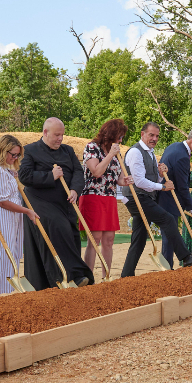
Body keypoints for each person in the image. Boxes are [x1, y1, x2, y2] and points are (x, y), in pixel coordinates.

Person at [19, 117, 94, 289]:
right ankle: (70, 276)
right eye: (57, 135)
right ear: (45, 133)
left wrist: (75, 189)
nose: (60, 138)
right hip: (40, 202)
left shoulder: (67, 151)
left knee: (72, 235)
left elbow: (78, 171)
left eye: (62, 135)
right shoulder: (30, 150)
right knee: (59, 228)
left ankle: (73, 276)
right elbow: (24, 176)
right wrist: (49, 176)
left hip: (65, 202)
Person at [0, 135, 38, 298]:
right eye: (13, 154)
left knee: (7, 258)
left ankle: (3, 295)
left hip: (8, 221)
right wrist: (27, 211)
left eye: (18, 155)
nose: (15, 158)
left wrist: (12, 178)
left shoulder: (6, 170)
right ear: (2, 151)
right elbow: (3, 202)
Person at [79, 119, 132, 279]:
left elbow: (119, 179)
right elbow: (96, 171)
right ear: (111, 134)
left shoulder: (116, 152)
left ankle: (106, 276)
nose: (121, 140)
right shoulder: (91, 148)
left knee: (109, 239)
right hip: (92, 196)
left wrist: (126, 181)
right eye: (120, 136)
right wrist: (110, 155)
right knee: (94, 239)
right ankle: (88, 277)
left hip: (109, 198)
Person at [153, 126, 192, 269]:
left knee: (170, 235)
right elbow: (183, 187)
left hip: (166, 198)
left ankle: (169, 266)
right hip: (170, 200)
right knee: (169, 236)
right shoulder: (182, 156)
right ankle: (168, 268)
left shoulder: (175, 146)